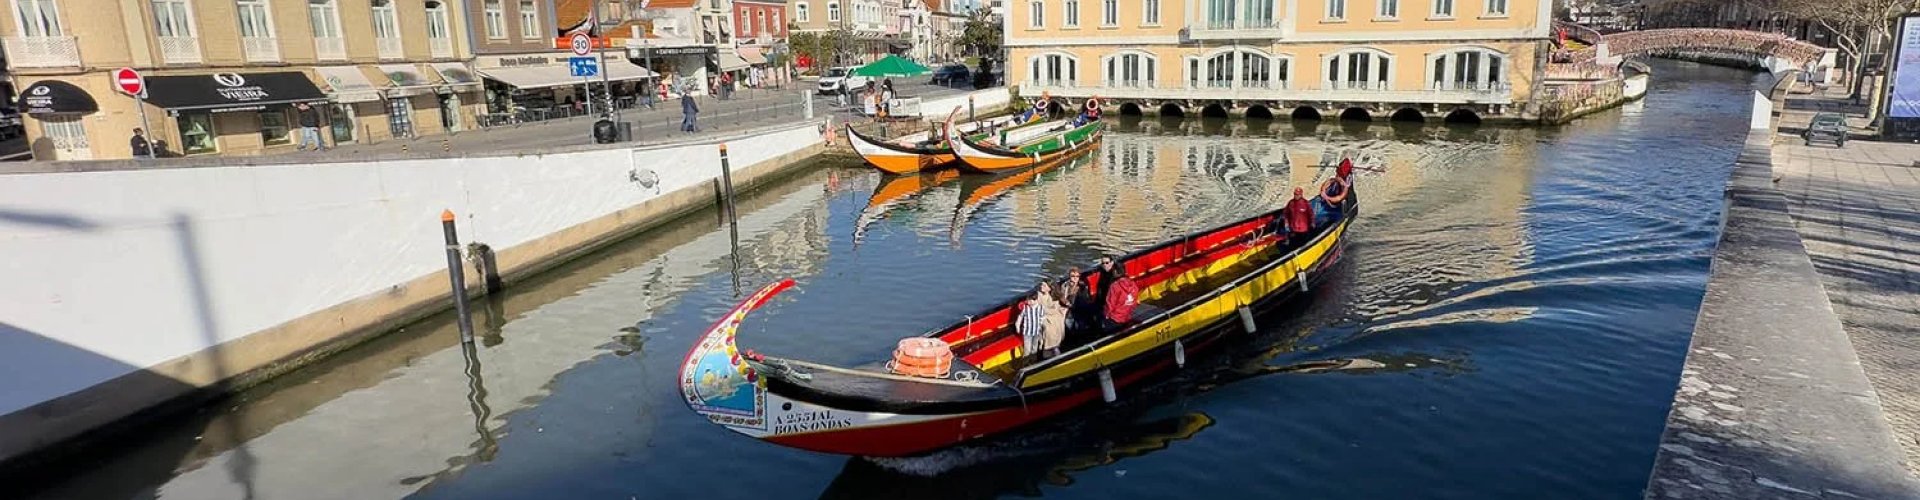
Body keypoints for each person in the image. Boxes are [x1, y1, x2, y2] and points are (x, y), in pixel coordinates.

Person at [1016, 282, 1060, 359]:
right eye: (1041, 284)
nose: (1041, 286)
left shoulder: (1053, 298)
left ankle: (1052, 346)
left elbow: (1054, 310)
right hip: (1037, 319)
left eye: (1044, 285)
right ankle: (1039, 350)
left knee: (1050, 327)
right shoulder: (1037, 295)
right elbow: (1030, 303)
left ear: (1049, 288)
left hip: (1051, 316)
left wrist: (1043, 310)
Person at [1102, 267, 1140, 332]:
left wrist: (1106, 315)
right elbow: (1135, 300)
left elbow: (1110, 304)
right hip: (1127, 316)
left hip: (1115, 319)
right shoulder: (1132, 284)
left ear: (1115, 272)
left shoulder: (1114, 286)